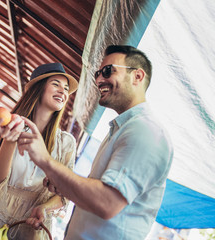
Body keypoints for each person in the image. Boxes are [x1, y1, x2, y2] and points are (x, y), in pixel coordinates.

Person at [17, 45, 174, 240]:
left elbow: (107, 203)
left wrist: (45, 160)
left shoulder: (145, 131)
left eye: (108, 71)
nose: (99, 80)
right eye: (98, 74)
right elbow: (96, 194)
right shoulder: (120, 129)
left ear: (138, 77)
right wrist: (63, 185)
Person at [0, 63, 78, 240]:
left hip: (32, 227)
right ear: (38, 89)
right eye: (56, 84)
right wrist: (9, 141)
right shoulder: (11, 125)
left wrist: (44, 208)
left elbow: (64, 194)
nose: (63, 91)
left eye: (66, 88)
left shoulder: (66, 143)